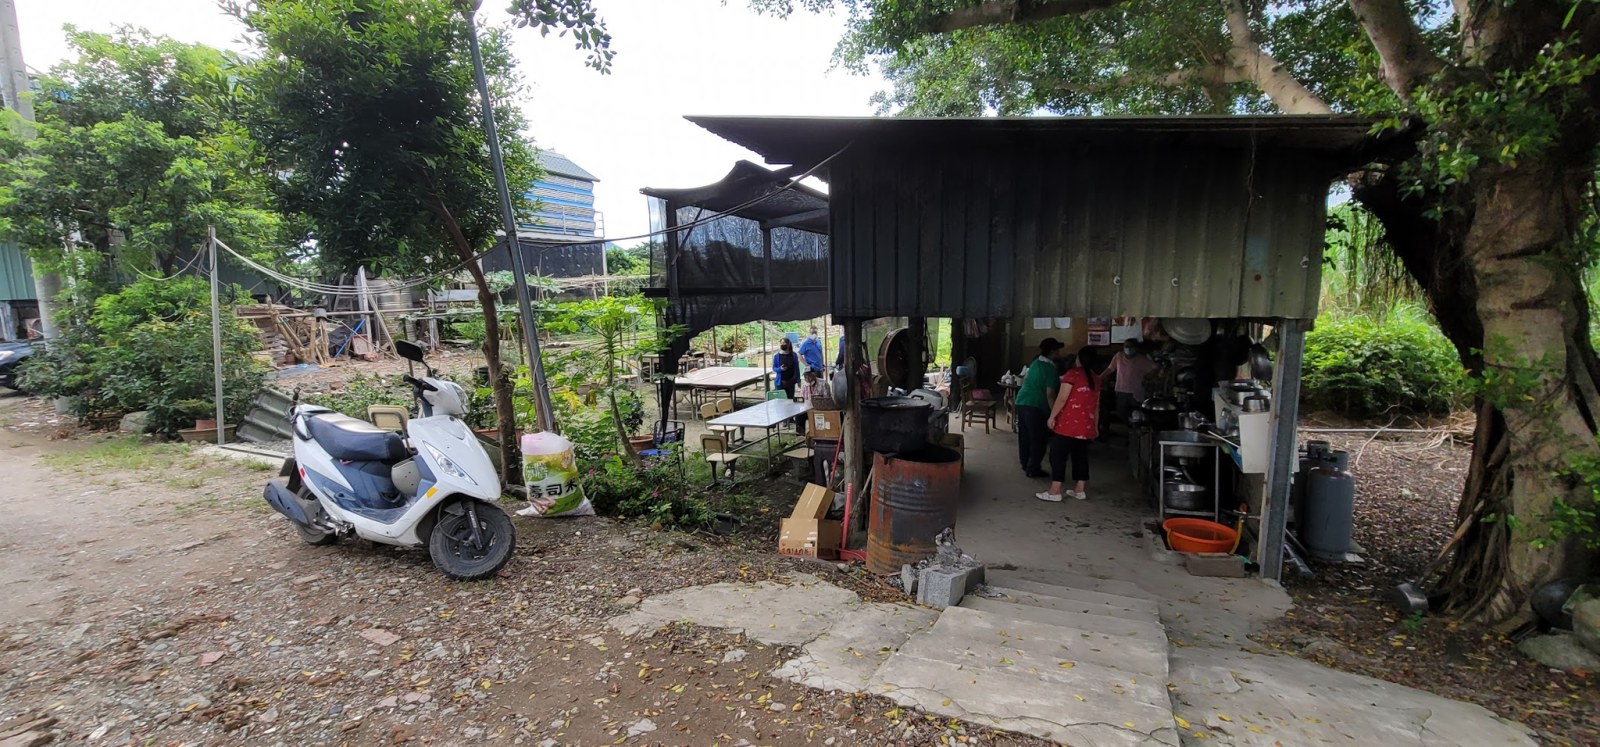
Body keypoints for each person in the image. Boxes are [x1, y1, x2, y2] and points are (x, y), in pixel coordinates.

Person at [1038, 347, 1102, 502]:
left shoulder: (1072, 375)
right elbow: (1097, 405)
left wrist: (1052, 416)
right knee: (1081, 455)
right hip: (1086, 424)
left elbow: (1062, 399)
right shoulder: (1096, 378)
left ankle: (1055, 490)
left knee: (1057, 455)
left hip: (1069, 424)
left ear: (1079, 359)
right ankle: (1080, 489)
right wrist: (1095, 426)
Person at [1014, 338, 1065, 478]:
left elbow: (1027, 380)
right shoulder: (1051, 369)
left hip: (1021, 401)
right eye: (1057, 350)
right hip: (1035, 406)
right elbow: (1050, 394)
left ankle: (1025, 464)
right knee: (1039, 439)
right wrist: (1054, 415)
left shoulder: (1035, 363)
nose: (1059, 353)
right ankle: (1033, 469)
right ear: (1053, 352)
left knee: (1024, 437)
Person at [1103, 339, 1156, 434]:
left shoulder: (1141, 359)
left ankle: (1136, 433)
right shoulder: (1119, 356)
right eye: (1126, 346)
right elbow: (1110, 368)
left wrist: (1147, 377)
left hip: (1136, 392)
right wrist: (1100, 377)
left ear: (1136, 348)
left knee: (1138, 415)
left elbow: (1155, 368)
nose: (1128, 349)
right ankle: (1129, 431)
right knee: (1122, 413)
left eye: (1130, 346)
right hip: (1121, 390)